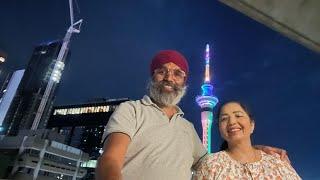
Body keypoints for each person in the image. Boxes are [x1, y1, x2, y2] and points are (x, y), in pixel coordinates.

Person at [96, 50, 289, 180]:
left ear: (184, 81)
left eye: (177, 73)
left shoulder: (187, 128)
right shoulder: (132, 110)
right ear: (152, 76)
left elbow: (214, 163)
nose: (169, 77)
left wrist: (256, 149)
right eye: (162, 71)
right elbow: (111, 159)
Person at [193, 101, 301, 180]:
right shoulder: (211, 165)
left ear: (252, 125)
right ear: (220, 130)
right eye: (224, 119)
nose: (232, 122)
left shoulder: (277, 163)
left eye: (238, 115)